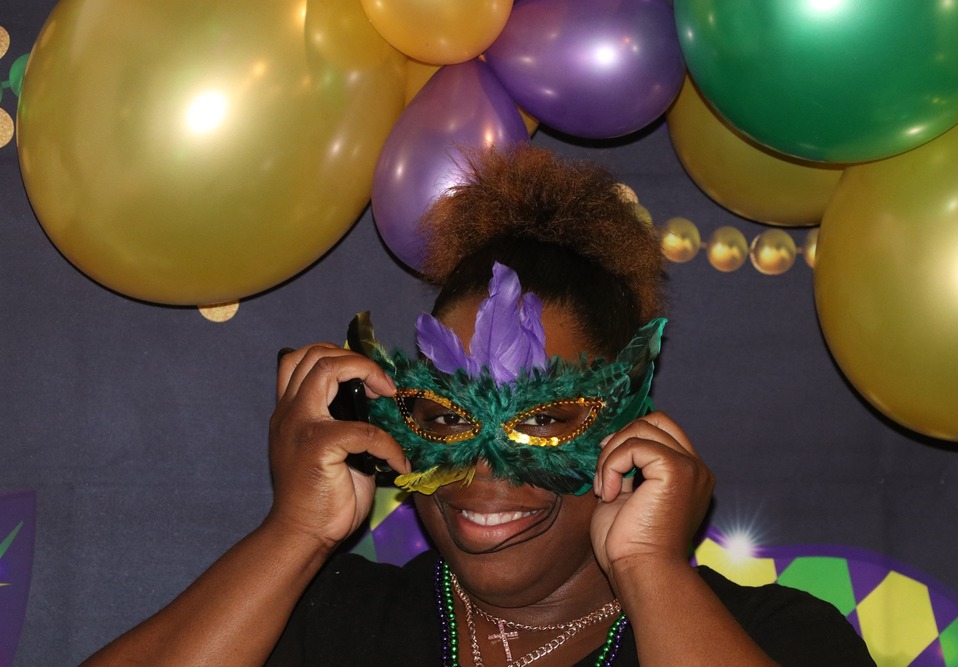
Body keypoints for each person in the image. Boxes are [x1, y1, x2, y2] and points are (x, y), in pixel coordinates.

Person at [83, 145, 874, 666]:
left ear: (627, 430)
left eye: (544, 419)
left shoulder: (771, 638)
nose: (483, 473)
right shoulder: (323, 622)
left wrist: (651, 571)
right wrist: (293, 533)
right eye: (445, 417)